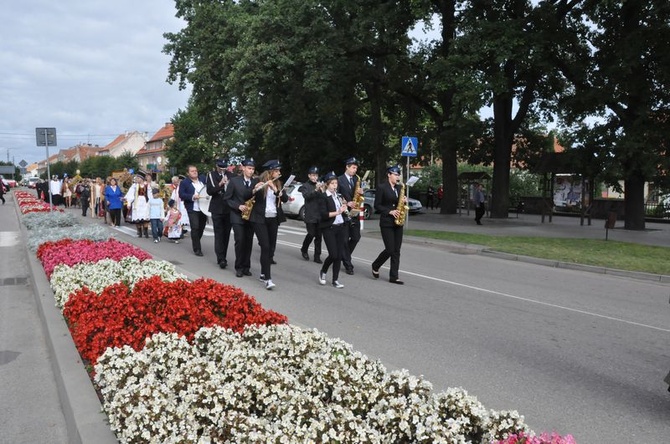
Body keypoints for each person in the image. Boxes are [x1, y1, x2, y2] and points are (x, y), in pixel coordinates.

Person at [247, 160, 288, 290]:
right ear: (270, 172)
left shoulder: (278, 183)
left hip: (273, 219)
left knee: (271, 248)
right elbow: (246, 195)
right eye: (277, 171)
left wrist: (275, 189)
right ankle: (268, 279)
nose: (279, 173)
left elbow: (284, 199)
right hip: (259, 219)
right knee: (265, 246)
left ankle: (263, 272)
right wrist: (255, 189)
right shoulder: (258, 181)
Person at [371, 165, 407, 285]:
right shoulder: (382, 187)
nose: (397, 177)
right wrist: (389, 211)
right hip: (386, 222)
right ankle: (376, 265)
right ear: (389, 174)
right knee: (390, 249)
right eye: (395, 174)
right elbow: (377, 205)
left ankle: (394, 276)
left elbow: (399, 202)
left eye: (398, 175)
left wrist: (403, 201)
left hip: (398, 222)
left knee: (397, 250)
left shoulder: (399, 188)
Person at [223, 158, 258, 278]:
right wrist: (238, 206)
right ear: (243, 168)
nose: (251, 171)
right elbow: (227, 198)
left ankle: (246, 267)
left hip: (251, 216)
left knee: (248, 242)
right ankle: (238, 267)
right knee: (240, 240)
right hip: (237, 216)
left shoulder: (255, 182)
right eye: (249, 168)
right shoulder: (234, 181)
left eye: (253, 169)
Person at [318, 172, 348, 289]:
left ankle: (335, 279)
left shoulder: (338, 196)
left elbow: (343, 211)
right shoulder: (323, 197)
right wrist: (338, 212)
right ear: (327, 184)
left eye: (336, 183)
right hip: (329, 227)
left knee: (339, 255)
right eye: (332, 183)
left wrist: (345, 208)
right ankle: (323, 271)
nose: (335, 186)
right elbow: (324, 214)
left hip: (340, 226)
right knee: (333, 254)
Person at [337, 157, 363, 275]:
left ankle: (344, 255)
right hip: (343, 213)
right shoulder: (339, 180)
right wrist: (347, 203)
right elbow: (336, 196)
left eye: (356, 168)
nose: (355, 170)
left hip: (355, 213)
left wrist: (361, 193)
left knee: (356, 237)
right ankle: (348, 264)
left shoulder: (357, 180)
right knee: (344, 240)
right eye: (353, 167)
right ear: (347, 167)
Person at [206, 159, 233, 269]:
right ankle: (221, 258)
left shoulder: (231, 175)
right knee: (219, 233)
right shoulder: (211, 175)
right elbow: (210, 191)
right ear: (217, 166)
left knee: (226, 234)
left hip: (228, 208)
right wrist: (221, 183)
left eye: (224, 167)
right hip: (217, 207)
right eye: (221, 167)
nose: (223, 169)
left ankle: (224, 256)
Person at [179, 165, 208, 256]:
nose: (195, 172)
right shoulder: (185, 183)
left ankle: (196, 240)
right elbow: (181, 195)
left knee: (201, 228)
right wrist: (192, 197)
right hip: (193, 208)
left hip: (203, 208)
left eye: (195, 170)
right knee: (195, 227)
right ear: (188, 173)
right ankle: (197, 249)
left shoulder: (202, 180)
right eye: (192, 171)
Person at [299, 166, 323, 263]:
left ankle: (317, 256)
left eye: (316, 175)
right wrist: (316, 190)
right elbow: (307, 196)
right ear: (309, 176)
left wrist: (322, 189)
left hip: (319, 214)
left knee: (319, 236)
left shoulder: (320, 185)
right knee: (311, 234)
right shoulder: (305, 186)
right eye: (313, 175)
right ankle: (304, 249)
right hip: (310, 214)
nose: (314, 177)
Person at [125, 173, 152, 238]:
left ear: (142, 179)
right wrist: (129, 203)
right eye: (137, 178)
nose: (137, 179)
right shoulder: (134, 186)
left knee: (145, 218)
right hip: (137, 203)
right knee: (137, 218)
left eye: (138, 178)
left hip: (145, 203)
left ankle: (145, 231)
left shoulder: (147, 185)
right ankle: (139, 232)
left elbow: (150, 195)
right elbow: (130, 194)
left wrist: (151, 203)